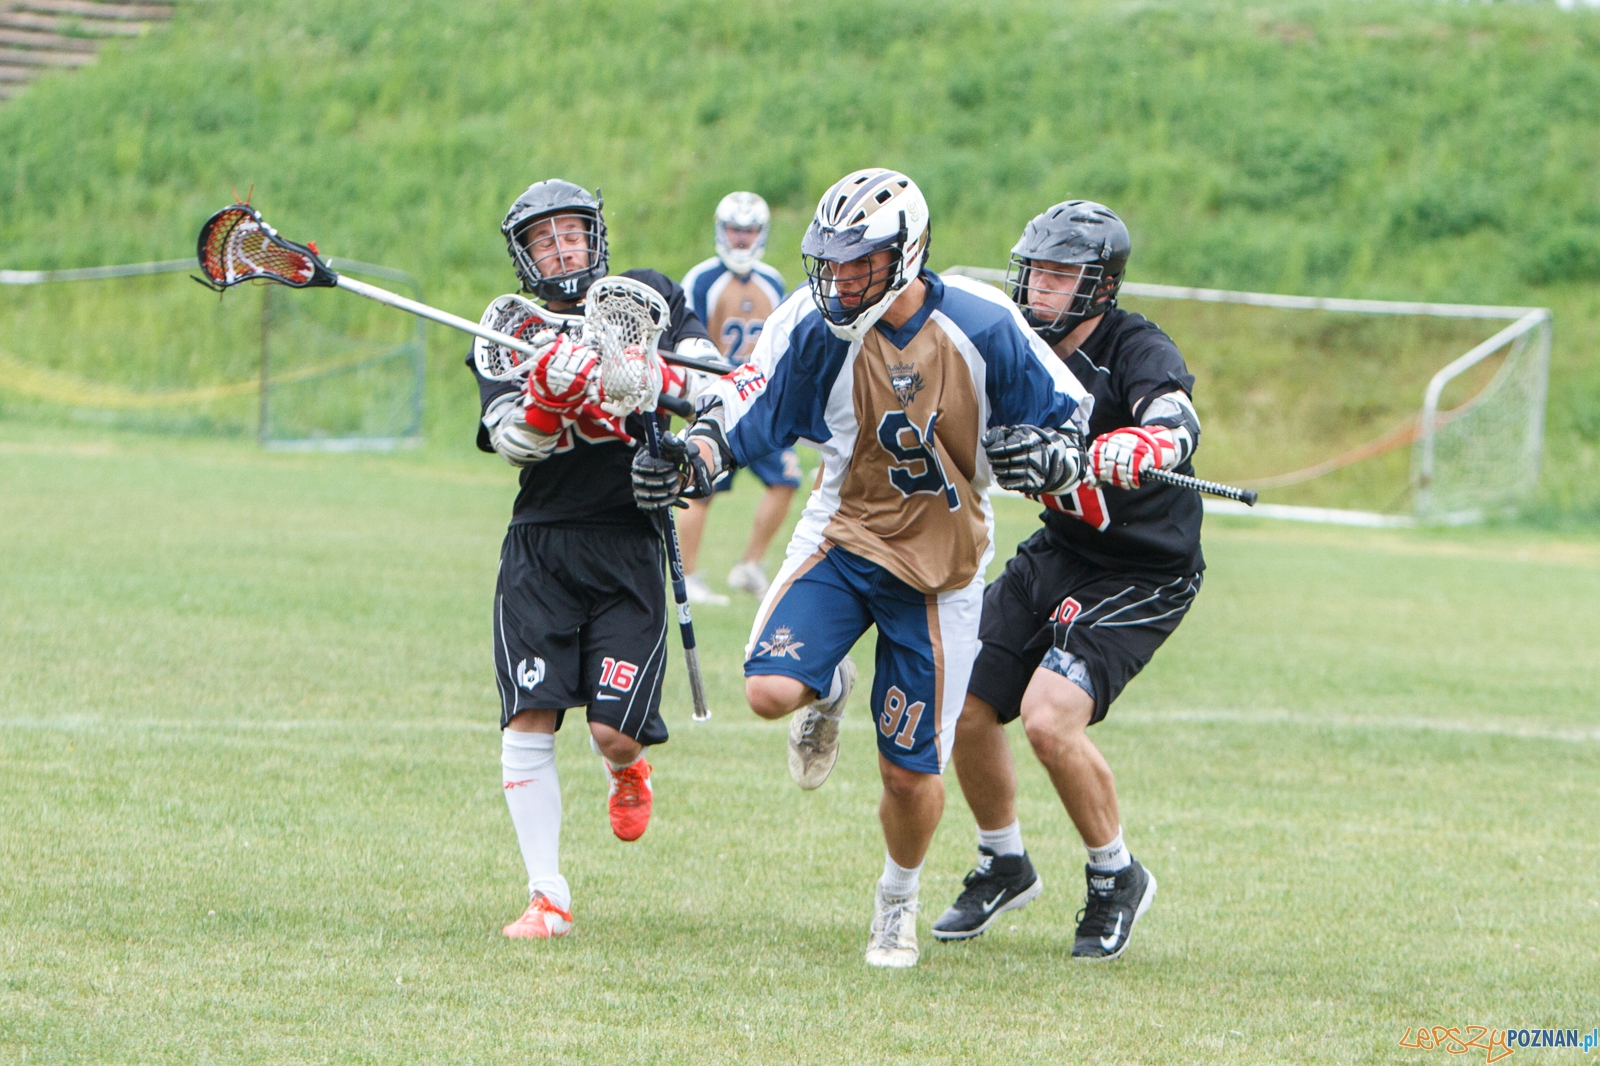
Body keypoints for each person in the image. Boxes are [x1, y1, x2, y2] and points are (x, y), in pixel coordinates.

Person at [632, 169, 1092, 968]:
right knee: (770, 690)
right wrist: (694, 457)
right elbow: (745, 403)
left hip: (942, 570)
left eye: (860, 263)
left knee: (909, 776)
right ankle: (829, 683)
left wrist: (1055, 457)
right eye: (832, 262)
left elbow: (1068, 416)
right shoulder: (814, 322)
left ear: (907, 254)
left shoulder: (984, 324)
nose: (840, 279)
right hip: (844, 534)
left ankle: (897, 901)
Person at [929, 201, 1204, 961]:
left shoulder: (1135, 346)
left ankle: (1117, 876)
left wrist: (1148, 441)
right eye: (1035, 274)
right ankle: (1003, 862)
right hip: (1060, 549)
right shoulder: (1012, 346)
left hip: (1142, 567)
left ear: (1099, 287)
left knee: (1050, 719)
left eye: (1060, 277)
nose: (1040, 291)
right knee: (960, 701)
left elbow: (1177, 414)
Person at [468, 179, 719, 940]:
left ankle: (625, 766)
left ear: (595, 235)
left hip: (629, 540)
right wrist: (547, 392)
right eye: (544, 239)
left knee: (614, 731)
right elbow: (512, 440)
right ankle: (548, 896)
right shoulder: (512, 327)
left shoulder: (649, 298)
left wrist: (659, 400)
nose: (561, 248)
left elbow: (716, 390)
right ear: (524, 257)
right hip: (542, 542)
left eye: (571, 232)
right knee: (529, 717)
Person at [676, 191, 803, 604]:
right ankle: (690, 576)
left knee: (786, 478)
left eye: (749, 231)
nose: (742, 239)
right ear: (721, 229)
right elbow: (682, 338)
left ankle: (749, 565)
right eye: (736, 229)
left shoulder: (772, 281)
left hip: (758, 402)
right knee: (701, 485)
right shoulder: (702, 280)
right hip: (716, 399)